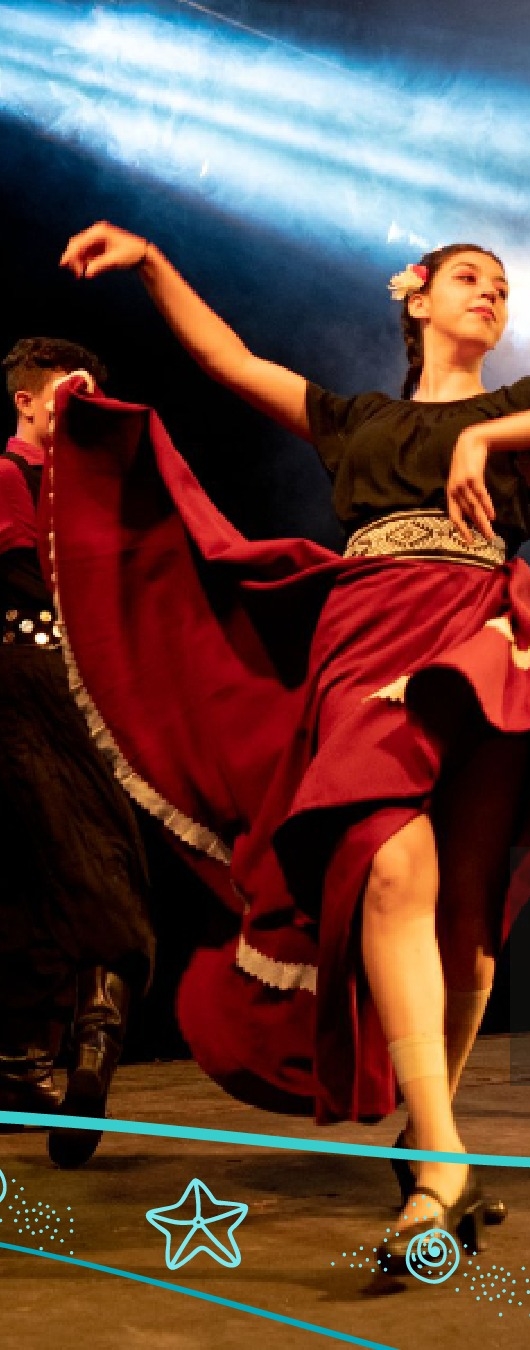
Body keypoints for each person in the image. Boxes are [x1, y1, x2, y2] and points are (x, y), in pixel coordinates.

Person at [55, 222, 530, 1260]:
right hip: (369, 636)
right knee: (389, 862)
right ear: (416, 298)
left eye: (502, 285)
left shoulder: (519, 404)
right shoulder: (357, 419)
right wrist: (152, 263)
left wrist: (485, 441)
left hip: (481, 631)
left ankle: (434, 1141)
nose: (490, 293)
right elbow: (230, 362)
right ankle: (445, 1157)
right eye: (469, 276)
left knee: (467, 899)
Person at [0, 337, 155, 1169]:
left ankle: (24, 1068)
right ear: (26, 401)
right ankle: (90, 1045)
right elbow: (32, 580)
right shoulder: (11, 477)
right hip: (34, 680)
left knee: (34, 879)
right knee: (100, 860)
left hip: (58, 682)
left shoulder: (82, 490)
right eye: (69, 393)